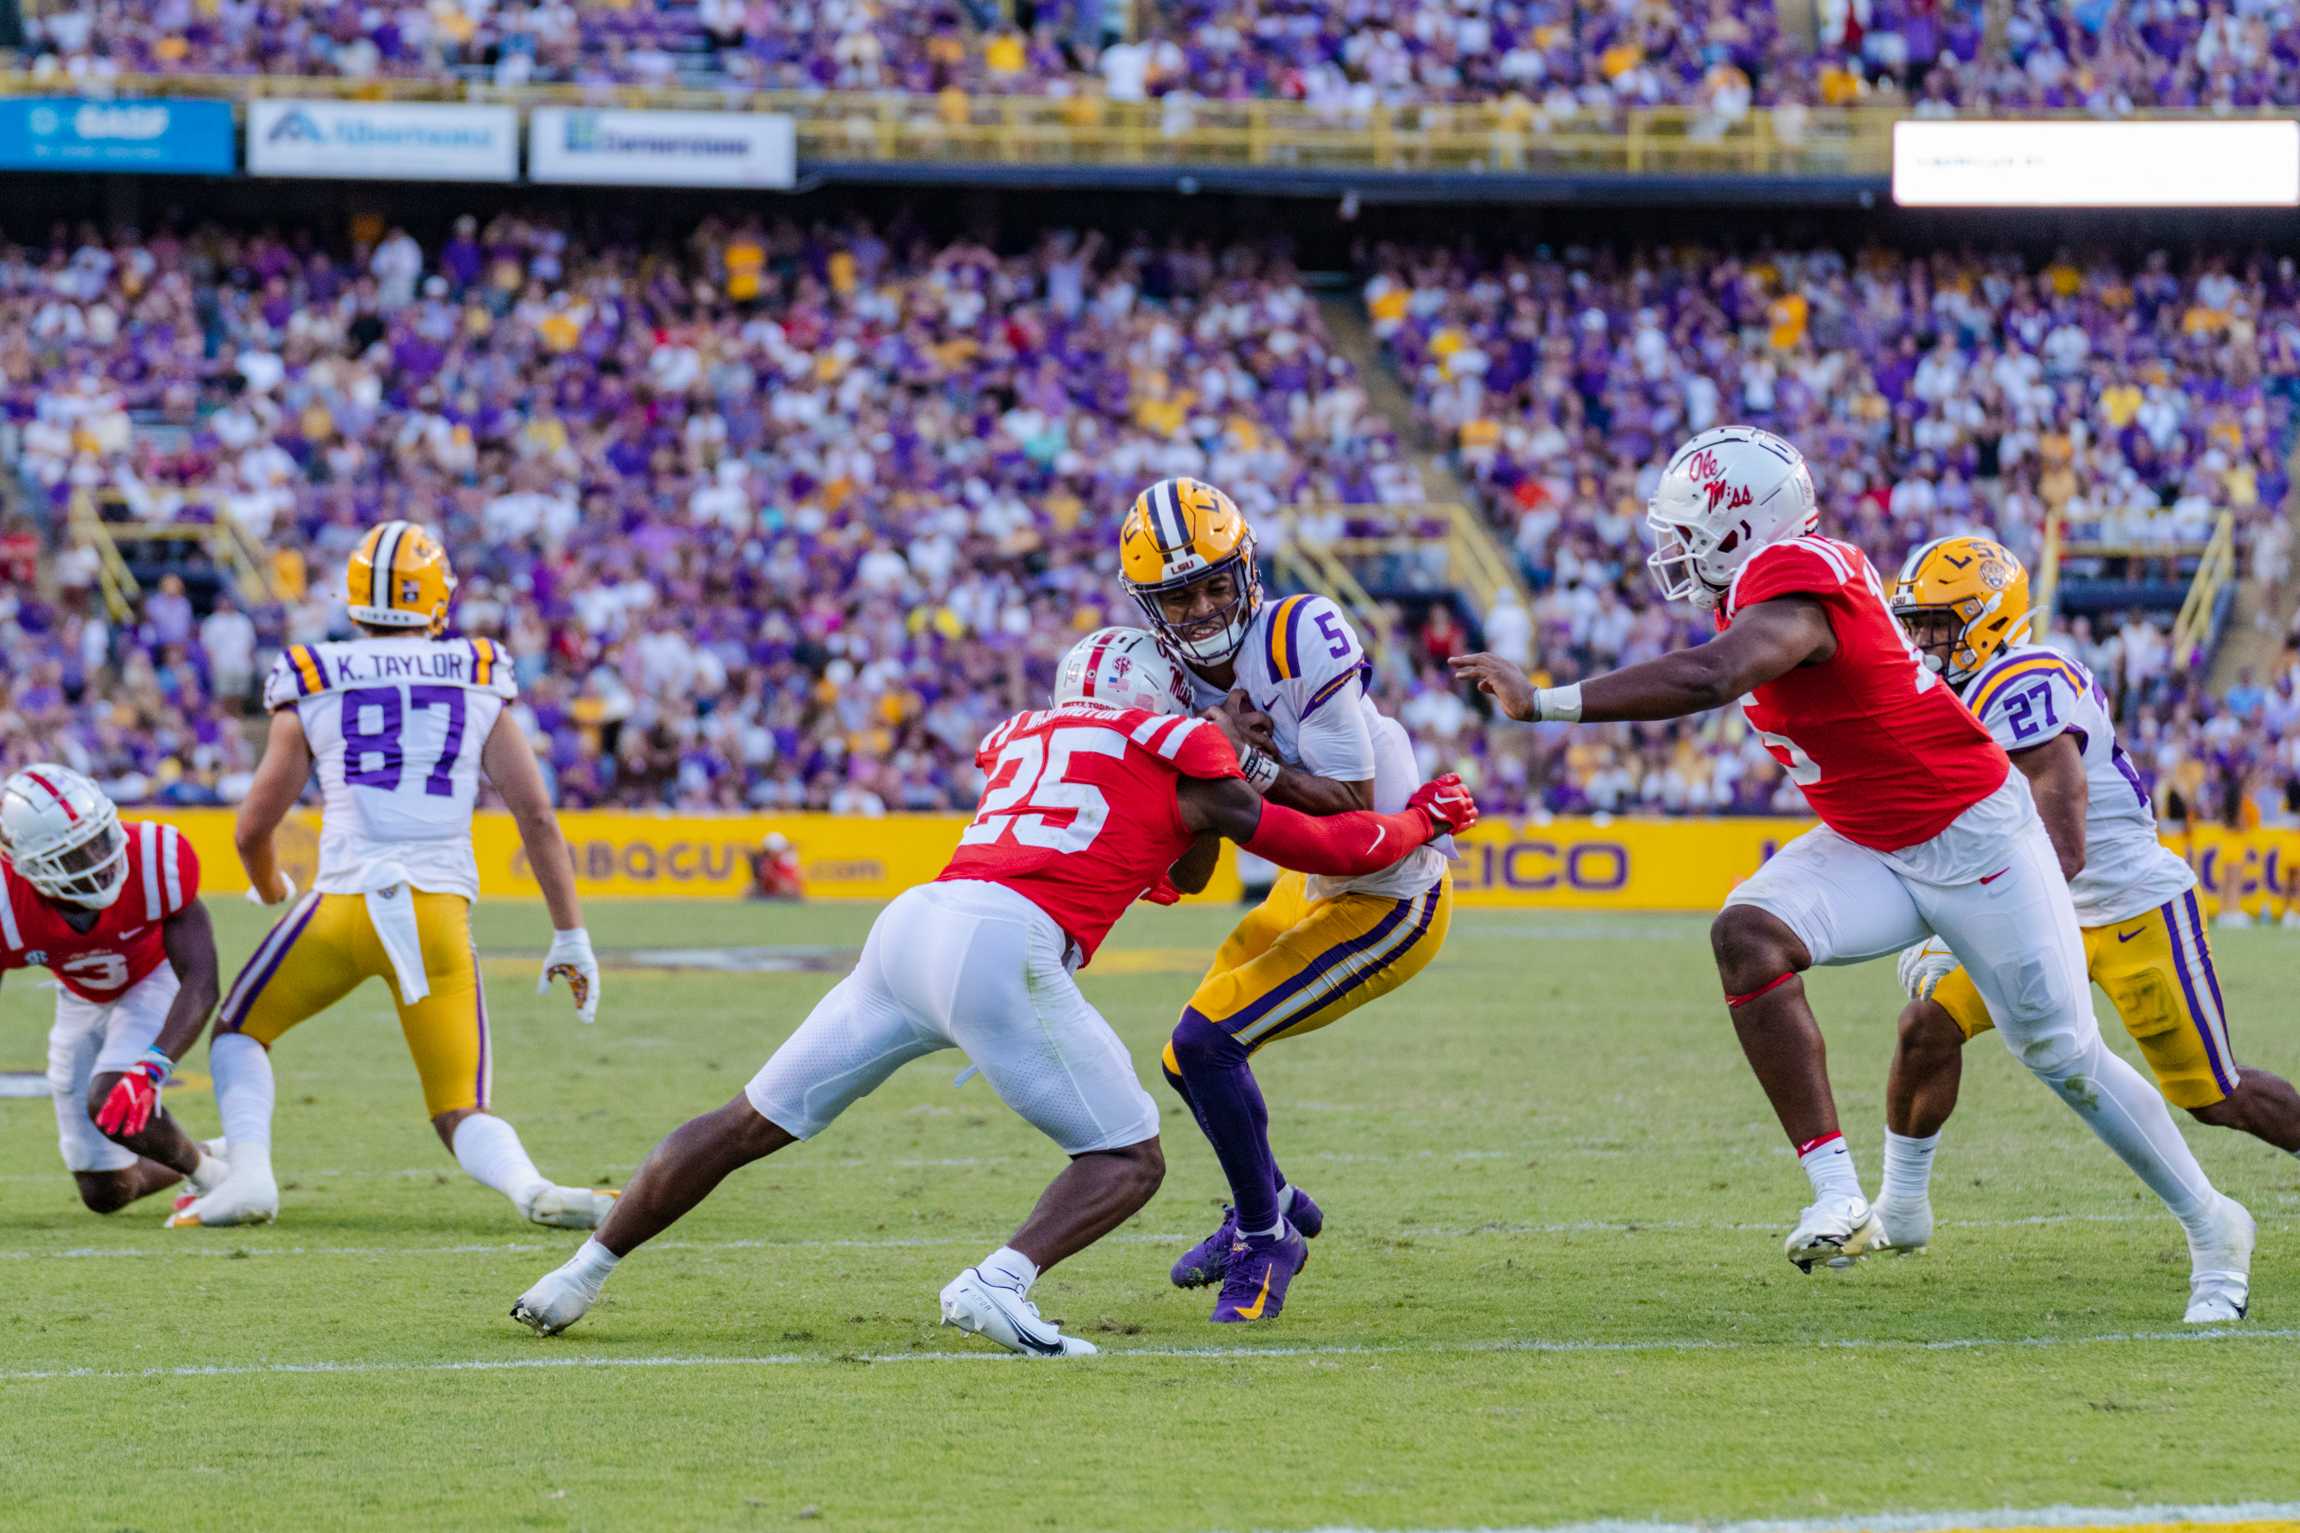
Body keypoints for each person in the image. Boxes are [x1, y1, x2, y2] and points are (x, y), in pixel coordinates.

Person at [1450, 426, 2251, 1323]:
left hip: (1976, 837)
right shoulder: (1765, 584)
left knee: (2062, 1055)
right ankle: (1836, 1192)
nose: (1671, 549)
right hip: (1874, 840)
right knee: (1748, 935)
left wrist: (1547, 700)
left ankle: (2215, 1225)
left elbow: (1715, 676)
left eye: (1687, 528)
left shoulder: (1797, 575)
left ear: (1741, 523)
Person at [509, 627, 1478, 1355]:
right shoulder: (1181, 750)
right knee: (1129, 1159)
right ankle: (997, 1283)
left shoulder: (1032, 739)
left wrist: (1215, 754)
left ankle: (579, 1276)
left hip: (911, 927)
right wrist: (1420, 819)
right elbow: (1331, 842)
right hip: (1004, 945)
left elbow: (1174, 866)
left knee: (743, 1121)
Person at [170, 521, 613, 1231]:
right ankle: (531, 1188)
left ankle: (250, 1173)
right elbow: (537, 817)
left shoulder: (315, 672)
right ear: (436, 599)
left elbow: (253, 827)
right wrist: (571, 934)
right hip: (437, 912)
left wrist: (274, 884)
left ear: (354, 599)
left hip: (342, 903)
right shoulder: (475, 670)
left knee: (240, 1034)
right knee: (458, 1105)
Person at [1878, 537, 2300, 1249]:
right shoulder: (1951, 693)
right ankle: (1900, 1209)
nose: (1920, 641)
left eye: (1936, 624)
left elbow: (2062, 850)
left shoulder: (2024, 679)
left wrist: (1953, 928)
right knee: (1927, 1025)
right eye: (1912, 624)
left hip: (2127, 904)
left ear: (1987, 622)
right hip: (2042, 906)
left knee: (2214, 1095)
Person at [1118, 477, 1454, 1324]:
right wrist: (1201, 757)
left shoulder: (1299, 632)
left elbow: (1349, 803)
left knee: (1207, 1044)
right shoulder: (1159, 683)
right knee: (1181, 1054)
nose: (1200, 607)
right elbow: (1192, 872)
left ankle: (1265, 1234)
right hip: (1317, 883)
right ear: (1148, 607)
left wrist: (1242, 764)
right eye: (1179, 595)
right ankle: (1271, 1200)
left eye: (1213, 584)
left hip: (1389, 894)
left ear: (1247, 570)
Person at [0, 765, 229, 1214]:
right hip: (79, 997)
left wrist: (153, 1066)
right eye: (73, 856)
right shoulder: (8, 904)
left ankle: (215, 1180)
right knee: (104, 1192)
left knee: (112, 1093)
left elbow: (202, 979)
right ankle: (213, 1152)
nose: (98, 862)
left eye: (99, 840)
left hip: (152, 975)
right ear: (25, 865)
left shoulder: (155, 856)